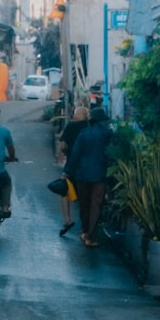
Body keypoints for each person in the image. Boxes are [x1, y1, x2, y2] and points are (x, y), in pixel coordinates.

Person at [64, 107, 111, 247]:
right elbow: (111, 153)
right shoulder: (107, 133)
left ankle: (84, 231)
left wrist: (67, 170)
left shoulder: (83, 133)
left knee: (84, 204)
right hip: (100, 174)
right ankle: (91, 237)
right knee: (95, 205)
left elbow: (75, 154)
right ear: (102, 120)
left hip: (82, 174)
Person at [56, 105, 90, 237]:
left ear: (76, 115)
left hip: (71, 165)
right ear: (86, 116)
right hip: (86, 166)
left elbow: (63, 145)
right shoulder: (88, 127)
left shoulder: (70, 126)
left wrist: (65, 153)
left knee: (64, 192)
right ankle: (85, 227)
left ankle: (67, 220)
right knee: (84, 197)